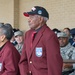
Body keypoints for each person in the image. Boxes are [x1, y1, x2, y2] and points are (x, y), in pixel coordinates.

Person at [19, 6, 63, 75]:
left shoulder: (49, 35)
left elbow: (54, 64)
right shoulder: (28, 34)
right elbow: (23, 60)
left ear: (40, 19)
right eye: (29, 17)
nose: (29, 20)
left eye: (32, 17)